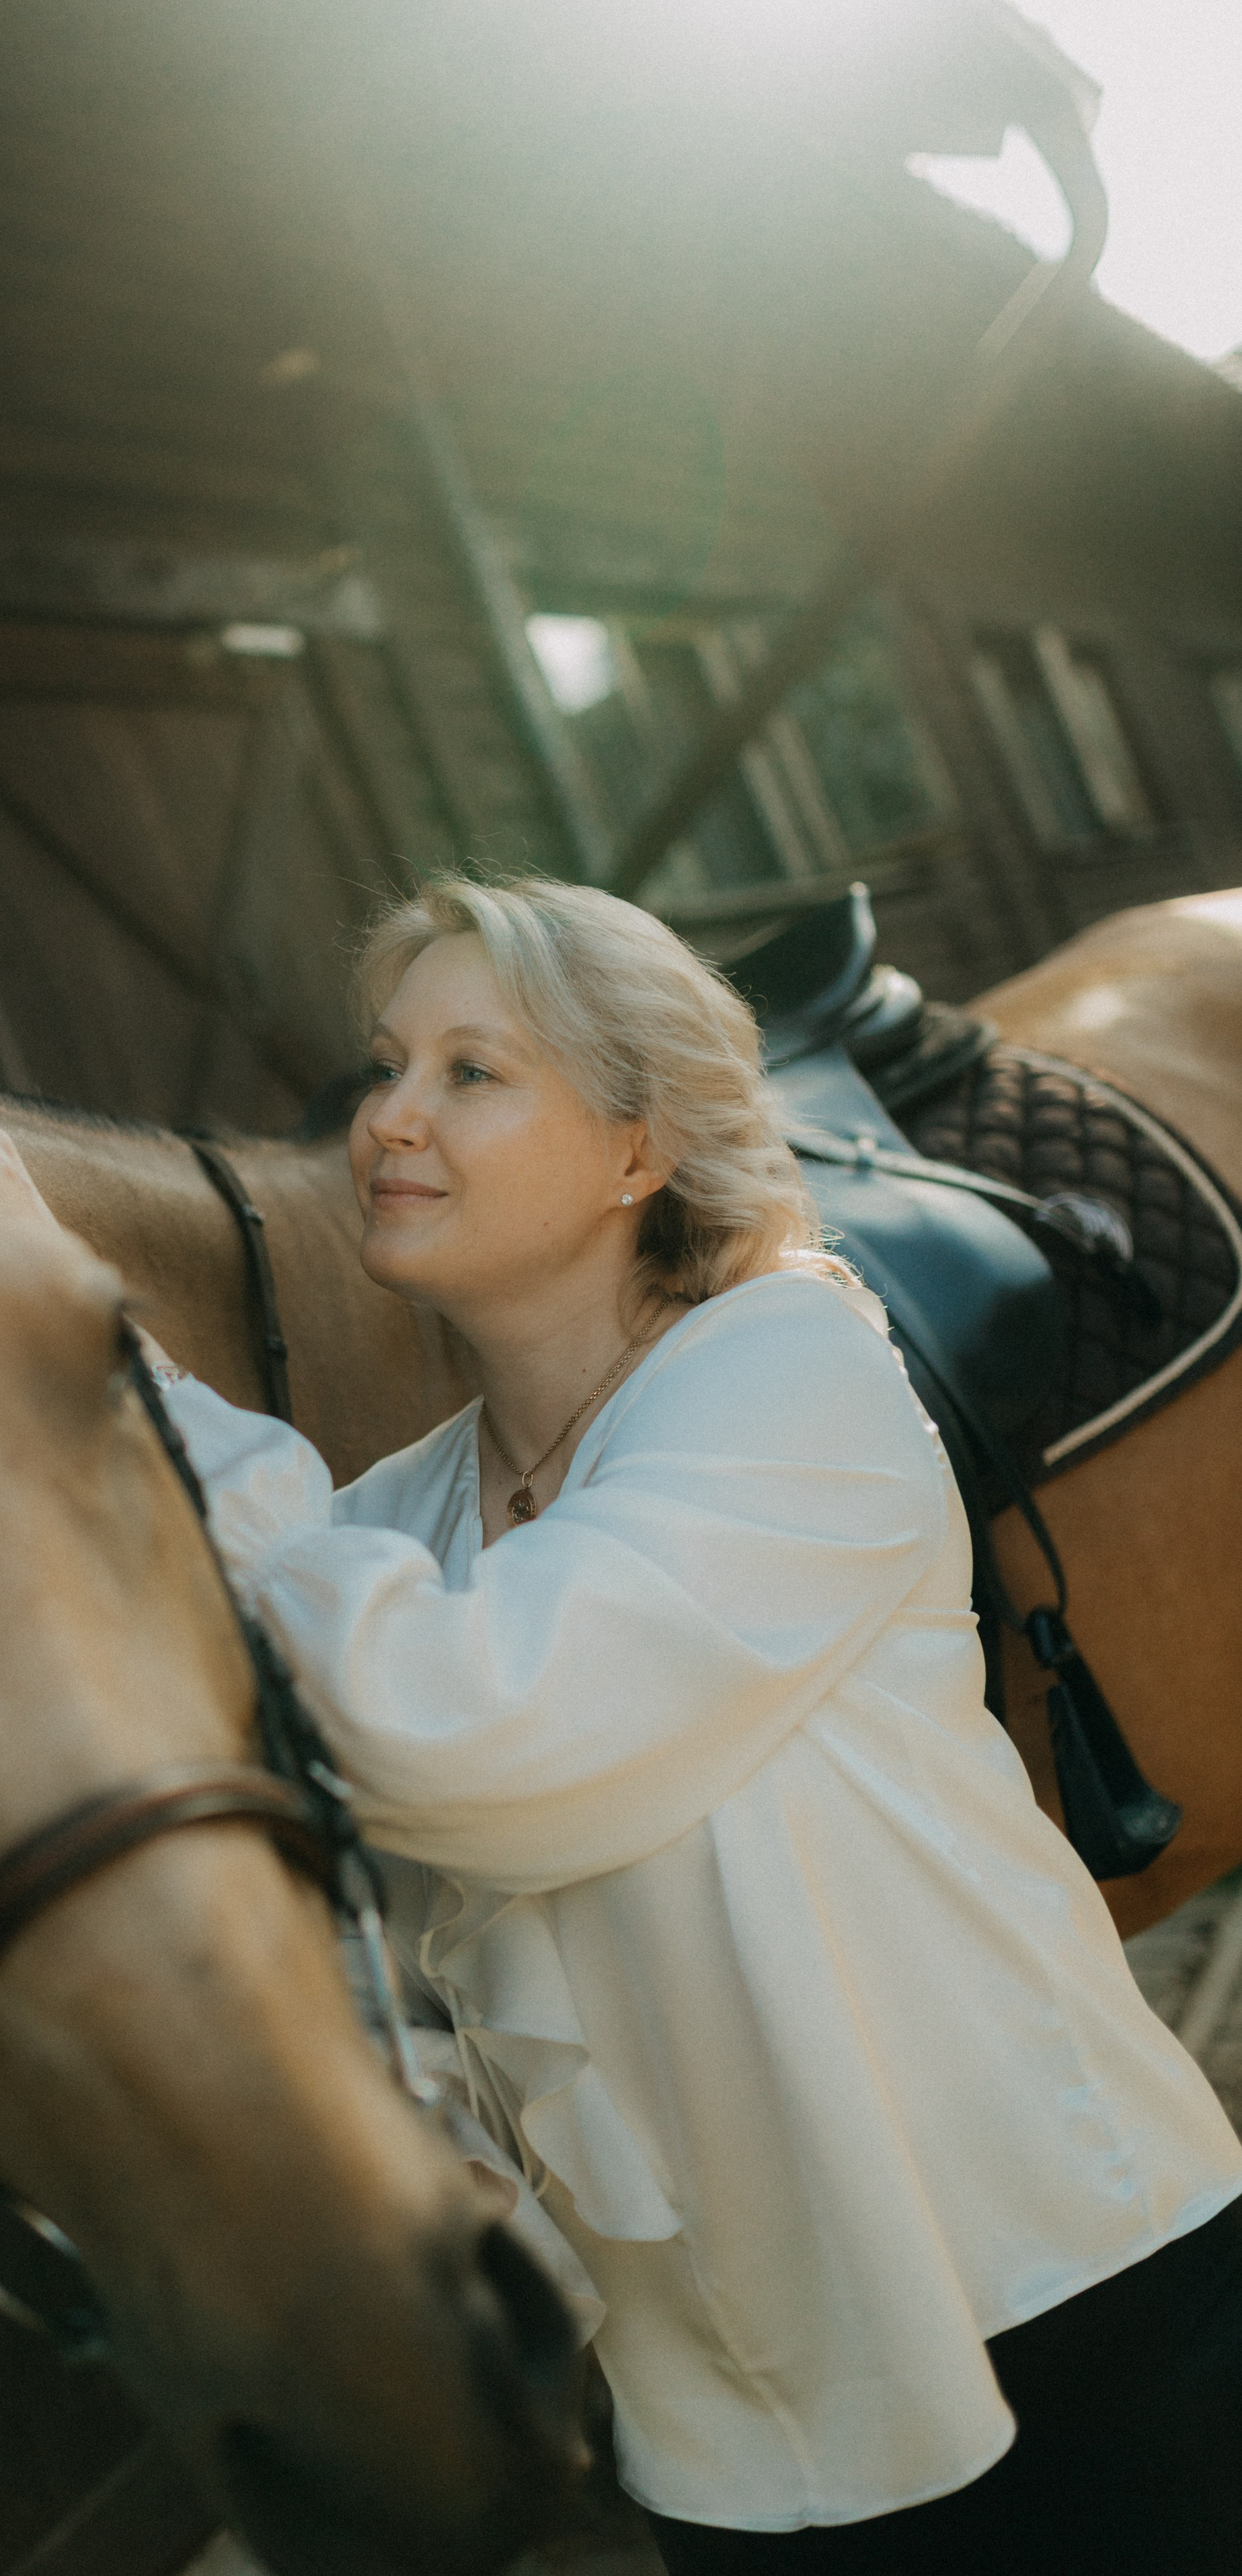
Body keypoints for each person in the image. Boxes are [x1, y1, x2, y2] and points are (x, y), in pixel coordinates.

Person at [141, 876, 1242, 2571]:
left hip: (1070, 2311)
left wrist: (152, 1420)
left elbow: (465, 1729)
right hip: (723, 2436)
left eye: (469, 1073)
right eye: (383, 1067)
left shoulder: (791, 1376)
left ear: (637, 1148)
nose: (385, 1121)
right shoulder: (392, 1524)